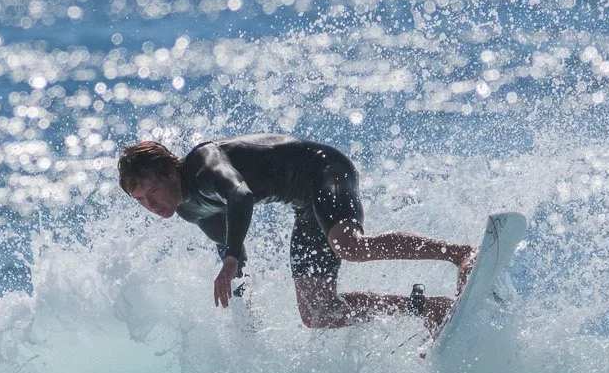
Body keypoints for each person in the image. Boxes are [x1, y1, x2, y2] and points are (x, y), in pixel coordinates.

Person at [117, 134, 476, 331]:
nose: (150, 204)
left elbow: (240, 194)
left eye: (152, 192)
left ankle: (459, 254)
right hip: (305, 206)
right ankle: (428, 308)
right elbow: (235, 254)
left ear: (169, 170)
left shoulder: (203, 161)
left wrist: (228, 257)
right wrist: (244, 316)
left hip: (322, 169)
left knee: (349, 246)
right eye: (140, 200)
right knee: (318, 313)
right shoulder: (191, 210)